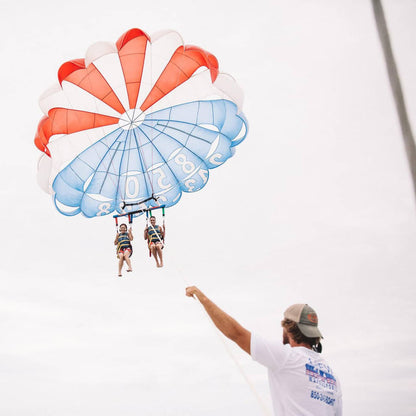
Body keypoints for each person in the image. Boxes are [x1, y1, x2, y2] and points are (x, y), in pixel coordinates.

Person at [185, 286, 342, 416]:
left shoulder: (287, 357)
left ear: (288, 328)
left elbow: (236, 333)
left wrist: (202, 299)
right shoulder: (332, 377)